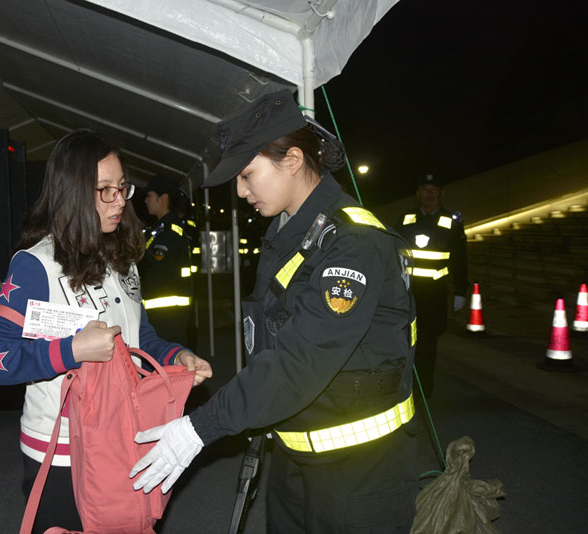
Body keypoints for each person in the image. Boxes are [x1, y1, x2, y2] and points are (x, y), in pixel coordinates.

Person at [130, 90, 419, 533]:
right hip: (294, 456)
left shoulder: (352, 244)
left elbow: (300, 361)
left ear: (293, 160)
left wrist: (200, 427)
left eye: (248, 174)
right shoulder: (291, 234)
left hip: (359, 472)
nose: (241, 191)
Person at [0, 129, 212, 533]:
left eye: (123, 188)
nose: (120, 201)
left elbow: (139, 338)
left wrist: (176, 356)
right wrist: (72, 350)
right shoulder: (36, 266)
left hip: (124, 439)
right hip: (60, 453)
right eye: (104, 190)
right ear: (72, 193)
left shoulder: (123, 261)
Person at [396, 174, 467, 397]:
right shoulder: (406, 219)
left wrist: (461, 291)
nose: (430, 194)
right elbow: (394, 253)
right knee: (405, 343)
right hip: (408, 294)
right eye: (425, 190)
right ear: (418, 194)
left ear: (441, 193)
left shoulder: (451, 222)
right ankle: (404, 387)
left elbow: (460, 258)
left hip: (434, 295)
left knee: (428, 344)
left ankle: (423, 391)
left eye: (434, 190)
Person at [138, 175, 193, 346]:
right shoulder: (158, 229)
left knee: (169, 357)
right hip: (160, 311)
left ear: (163, 198)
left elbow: (153, 264)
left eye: (150, 196)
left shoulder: (169, 231)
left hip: (168, 314)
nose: (146, 201)